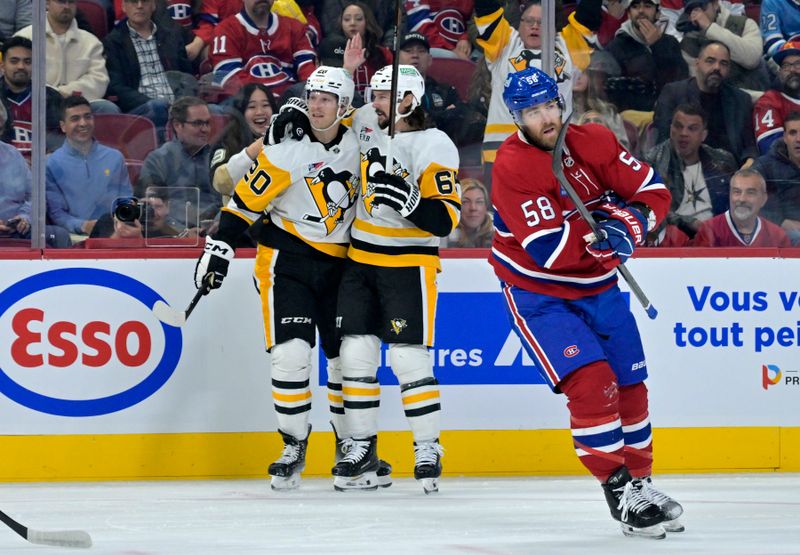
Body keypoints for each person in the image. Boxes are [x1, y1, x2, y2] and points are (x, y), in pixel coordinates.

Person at [490, 66, 681, 538]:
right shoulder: (512, 165)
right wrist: (609, 216)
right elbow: (550, 250)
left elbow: (655, 192)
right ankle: (619, 492)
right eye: (532, 111)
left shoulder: (593, 139)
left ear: (560, 102)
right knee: (593, 383)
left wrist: (628, 224)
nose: (545, 117)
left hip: (599, 287)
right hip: (541, 293)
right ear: (517, 117)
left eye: (549, 105)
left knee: (631, 384)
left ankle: (642, 482)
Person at [193, 66, 392, 490]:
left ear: (343, 106)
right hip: (288, 263)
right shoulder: (287, 151)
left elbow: (383, 116)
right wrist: (220, 250)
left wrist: (355, 65)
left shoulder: (362, 143)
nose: (318, 105)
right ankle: (293, 444)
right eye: (313, 96)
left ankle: (353, 446)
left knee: (346, 361)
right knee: (291, 355)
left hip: (345, 266)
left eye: (328, 99)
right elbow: (242, 204)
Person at [327, 64, 461, 494]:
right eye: (375, 94)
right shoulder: (368, 122)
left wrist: (410, 203)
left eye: (385, 96)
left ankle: (427, 447)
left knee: (407, 358)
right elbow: (329, 115)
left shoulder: (435, 143)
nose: (375, 102)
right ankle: (362, 446)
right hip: (360, 259)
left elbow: (443, 220)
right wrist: (346, 72)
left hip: (408, 264)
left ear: (409, 100)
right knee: (355, 354)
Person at [474, 0, 575, 173]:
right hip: (503, 145)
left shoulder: (566, 46)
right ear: (519, 24)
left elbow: (588, 18)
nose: (535, 26)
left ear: (553, 27)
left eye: (542, 22)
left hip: (553, 147)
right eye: (529, 21)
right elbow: (486, 8)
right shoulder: (505, 43)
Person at [653, 40, 756, 166]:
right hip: (683, 166)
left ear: (729, 69)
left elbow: (749, 145)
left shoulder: (741, 100)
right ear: (697, 63)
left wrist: (749, 163)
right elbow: (663, 140)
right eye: (710, 61)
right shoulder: (673, 93)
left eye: (723, 63)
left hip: (729, 171)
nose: (717, 67)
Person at [644, 103, 737, 239]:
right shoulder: (653, 162)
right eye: (678, 126)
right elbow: (650, 207)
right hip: (674, 239)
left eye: (692, 129)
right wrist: (688, 223)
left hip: (718, 238)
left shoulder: (722, 161)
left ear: (703, 135)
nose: (684, 133)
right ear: (671, 129)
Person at [45, 95, 133, 237]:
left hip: (116, 234)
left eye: (88, 117)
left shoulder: (115, 157)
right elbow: (57, 213)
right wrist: (83, 226)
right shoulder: (50, 164)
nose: (83, 123)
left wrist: (119, 225)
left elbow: (125, 199)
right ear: (63, 126)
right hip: (74, 238)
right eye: (75, 119)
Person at [103, 0, 194, 131]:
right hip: (142, 108)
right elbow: (116, 87)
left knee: (214, 110)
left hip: (177, 104)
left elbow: (186, 76)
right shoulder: (113, 42)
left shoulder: (172, 35)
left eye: (145, 1)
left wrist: (182, 102)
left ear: (153, 5)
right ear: (123, 6)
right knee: (158, 107)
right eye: (134, 1)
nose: (139, 6)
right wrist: (150, 102)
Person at [15, 0, 118, 114]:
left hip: (80, 104)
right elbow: (18, 76)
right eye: (61, 2)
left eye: (71, 2)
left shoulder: (91, 42)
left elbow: (99, 80)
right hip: (38, 105)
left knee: (106, 108)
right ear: (47, 3)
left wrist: (66, 93)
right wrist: (50, 95)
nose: (66, 6)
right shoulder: (25, 37)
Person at [137, 96, 220, 231]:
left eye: (207, 123)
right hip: (170, 235)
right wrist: (182, 232)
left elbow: (229, 202)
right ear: (177, 125)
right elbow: (152, 207)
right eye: (197, 123)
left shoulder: (218, 157)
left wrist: (215, 226)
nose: (205, 129)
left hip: (216, 234)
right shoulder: (157, 160)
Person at [209, 0, 317, 98]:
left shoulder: (295, 27)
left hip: (291, 102)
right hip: (246, 105)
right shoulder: (225, 30)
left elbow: (308, 69)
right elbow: (228, 77)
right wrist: (266, 99)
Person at [397, 32, 485, 147]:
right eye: (408, 51)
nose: (415, 55)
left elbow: (462, 116)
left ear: (430, 60)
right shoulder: (388, 90)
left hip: (442, 153)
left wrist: (433, 117)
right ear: (396, 58)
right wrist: (444, 115)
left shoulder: (445, 90)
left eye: (421, 51)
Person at [604, 0, 687, 113]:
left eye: (647, 6)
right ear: (629, 14)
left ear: (657, 13)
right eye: (635, 6)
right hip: (631, 117)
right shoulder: (617, 46)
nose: (641, 11)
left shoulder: (670, 43)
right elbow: (612, 91)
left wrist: (657, 45)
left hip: (668, 112)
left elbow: (679, 80)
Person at [675, 0, 767, 93]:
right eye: (692, 10)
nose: (698, 15)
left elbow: (752, 59)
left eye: (701, 7)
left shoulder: (744, 24)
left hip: (757, 97)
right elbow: (701, 86)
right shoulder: (688, 42)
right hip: (715, 101)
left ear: (715, 4)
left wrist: (710, 28)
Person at [209, 83, 276, 206]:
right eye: (252, 107)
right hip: (243, 220)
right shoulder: (227, 141)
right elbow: (220, 182)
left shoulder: (288, 141)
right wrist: (253, 151)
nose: (260, 112)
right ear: (241, 113)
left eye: (266, 105)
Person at [691, 169, 792, 247]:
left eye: (750, 192)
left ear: (764, 199)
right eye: (737, 192)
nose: (742, 199)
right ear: (729, 195)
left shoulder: (777, 236)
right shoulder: (709, 230)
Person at [318, 2, 391, 98]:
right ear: (341, 23)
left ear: (367, 22)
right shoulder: (332, 51)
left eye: (358, 19)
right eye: (347, 19)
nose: (352, 23)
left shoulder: (383, 53)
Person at [752, 111, 800, 244]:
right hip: (778, 234)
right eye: (793, 133)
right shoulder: (765, 166)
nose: (798, 139)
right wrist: (781, 221)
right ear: (784, 137)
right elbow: (748, 199)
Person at [753, 41, 800, 155]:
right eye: (786, 66)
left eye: (798, 64)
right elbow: (770, 149)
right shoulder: (768, 101)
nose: (792, 70)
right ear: (779, 72)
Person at [403, 0, 474, 59]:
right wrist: (451, 49)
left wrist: (466, 37)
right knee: (451, 57)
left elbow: (474, 22)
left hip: (465, 48)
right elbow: (419, 25)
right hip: (427, 46)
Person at [446, 178, 493, 247]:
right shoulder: (443, 234)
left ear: (486, 207)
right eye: (465, 202)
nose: (473, 208)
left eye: (479, 202)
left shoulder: (499, 231)